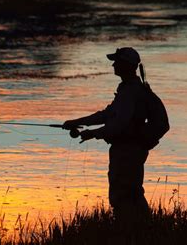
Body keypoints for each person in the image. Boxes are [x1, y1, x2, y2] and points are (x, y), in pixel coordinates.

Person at [63, 47, 150, 241]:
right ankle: (144, 230)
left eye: (116, 61)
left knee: (123, 193)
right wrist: (77, 121)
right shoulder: (128, 89)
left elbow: (119, 124)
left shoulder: (130, 92)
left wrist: (93, 133)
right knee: (132, 191)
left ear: (126, 66)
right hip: (128, 148)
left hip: (128, 150)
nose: (113, 65)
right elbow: (107, 114)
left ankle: (130, 233)